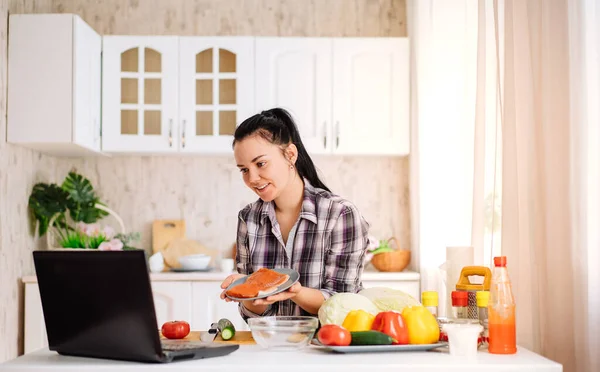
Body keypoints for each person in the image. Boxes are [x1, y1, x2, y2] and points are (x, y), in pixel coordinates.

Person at [219, 108, 370, 321]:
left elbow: (346, 305)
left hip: (324, 348)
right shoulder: (248, 219)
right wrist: (248, 293)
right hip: (269, 348)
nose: (252, 178)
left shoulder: (340, 215)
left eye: (260, 163)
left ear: (290, 155)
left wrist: (295, 292)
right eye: (244, 170)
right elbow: (252, 315)